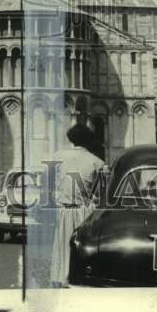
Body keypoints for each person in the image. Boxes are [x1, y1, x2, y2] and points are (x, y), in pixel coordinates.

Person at [49, 123, 107, 287]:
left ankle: (61, 280)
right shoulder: (98, 163)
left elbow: (50, 182)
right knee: (81, 248)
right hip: (85, 212)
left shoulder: (57, 157)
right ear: (89, 141)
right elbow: (100, 193)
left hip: (65, 210)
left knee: (63, 247)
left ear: (71, 139)